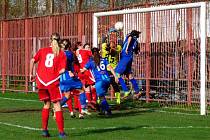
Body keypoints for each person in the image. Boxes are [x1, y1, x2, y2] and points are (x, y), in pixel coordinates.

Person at [29, 33, 67, 138]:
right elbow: (63, 70)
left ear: (50, 40)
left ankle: (44, 131)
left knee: (46, 105)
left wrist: (31, 74)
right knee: (57, 105)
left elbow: (32, 60)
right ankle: (61, 132)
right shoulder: (61, 53)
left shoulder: (42, 50)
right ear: (59, 41)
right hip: (52, 81)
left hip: (41, 81)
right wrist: (57, 73)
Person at [81, 47, 118, 116]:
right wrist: (115, 76)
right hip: (107, 80)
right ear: (99, 52)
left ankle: (108, 111)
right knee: (101, 96)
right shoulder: (104, 60)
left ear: (91, 54)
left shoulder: (91, 62)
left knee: (101, 97)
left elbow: (83, 70)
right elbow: (110, 68)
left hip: (99, 82)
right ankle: (102, 110)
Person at [59, 39, 89, 119]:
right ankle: (83, 109)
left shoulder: (59, 54)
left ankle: (56, 108)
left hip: (62, 78)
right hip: (69, 76)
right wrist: (69, 71)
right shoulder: (68, 53)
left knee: (67, 95)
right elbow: (67, 63)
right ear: (69, 46)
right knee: (82, 90)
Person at [115, 30, 142, 99]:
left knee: (117, 73)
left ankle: (125, 90)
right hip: (130, 57)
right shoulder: (136, 41)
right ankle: (138, 91)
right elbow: (136, 51)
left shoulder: (130, 37)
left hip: (125, 57)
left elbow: (130, 38)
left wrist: (127, 48)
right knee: (129, 75)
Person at [101, 30, 122, 104]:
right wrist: (118, 35)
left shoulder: (104, 49)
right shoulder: (117, 50)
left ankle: (99, 100)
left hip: (105, 70)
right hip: (114, 70)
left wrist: (108, 33)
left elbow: (103, 39)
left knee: (104, 85)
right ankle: (118, 100)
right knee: (115, 85)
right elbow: (120, 43)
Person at [76, 43, 97, 109]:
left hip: (80, 72)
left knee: (86, 88)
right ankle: (93, 101)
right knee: (95, 85)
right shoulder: (86, 52)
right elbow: (95, 55)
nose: (88, 48)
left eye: (89, 47)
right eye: (87, 47)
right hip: (87, 71)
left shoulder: (78, 52)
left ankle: (89, 102)